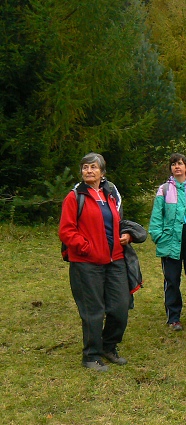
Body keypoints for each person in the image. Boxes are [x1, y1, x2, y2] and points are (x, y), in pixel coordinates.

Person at [59, 153, 131, 372]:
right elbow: (66, 230)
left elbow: (117, 222)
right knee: (93, 311)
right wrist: (86, 248)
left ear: (102, 172)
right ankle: (91, 355)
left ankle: (109, 347)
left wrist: (126, 235)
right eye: (85, 167)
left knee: (120, 307)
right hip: (86, 263)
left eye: (93, 167)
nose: (88, 171)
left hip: (115, 260)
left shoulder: (110, 194)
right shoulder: (75, 197)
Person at [149, 153, 186, 332]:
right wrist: (157, 236)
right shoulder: (164, 189)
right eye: (173, 164)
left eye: (180, 163)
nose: (177, 167)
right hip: (170, 239)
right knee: (172, 279)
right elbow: (157, 215)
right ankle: (173, 318)